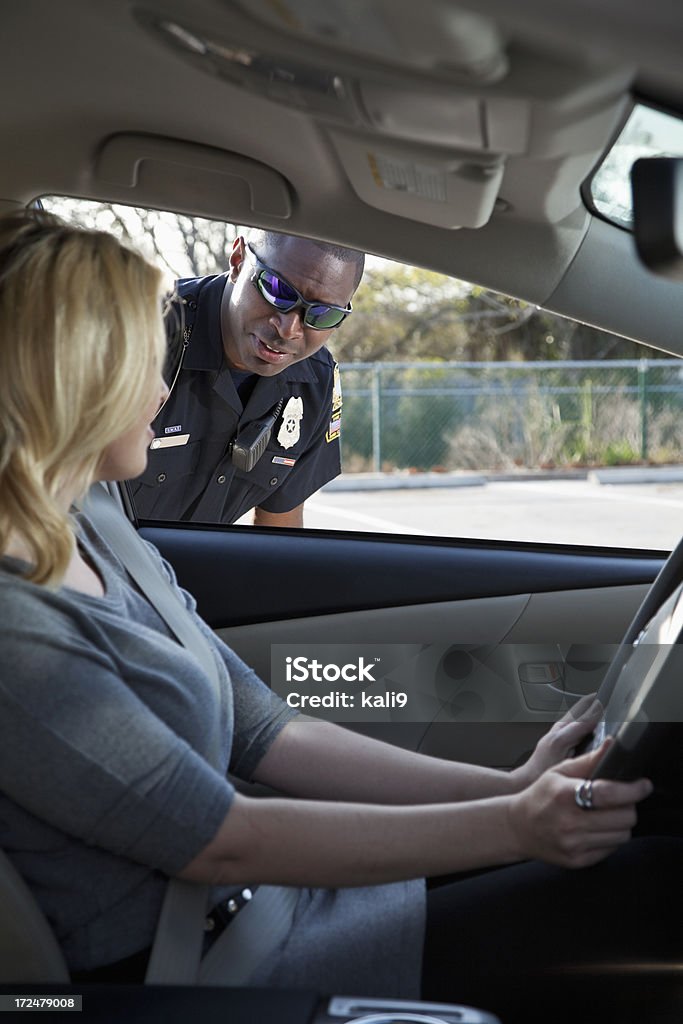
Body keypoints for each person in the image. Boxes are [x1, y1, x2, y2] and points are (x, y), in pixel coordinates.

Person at [0, 210, 679, 1014]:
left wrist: (510, 785)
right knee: (650, 903)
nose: (160, 384)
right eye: (142, 361)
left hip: (273, 898)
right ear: (68, 377)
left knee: (648, 866)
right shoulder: (18, 634)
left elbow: (268, 732)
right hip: (214, 960)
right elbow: (224, 838)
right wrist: (516, 825)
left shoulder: (93, 513)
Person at [128, 230, 364, 528]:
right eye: (277, 290)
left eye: (322, 314)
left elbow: (279, 529)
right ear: (238, 260)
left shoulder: (315, 380)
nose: (289, 328)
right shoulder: (139, 332)